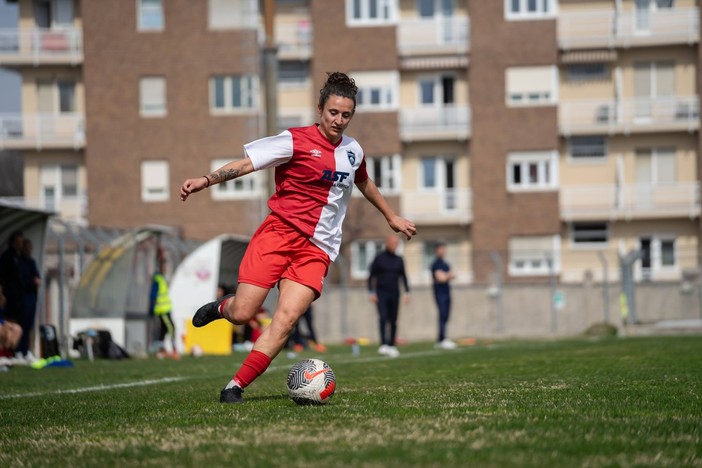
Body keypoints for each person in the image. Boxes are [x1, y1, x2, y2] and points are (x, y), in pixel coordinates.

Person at [180, 72, 416, 403]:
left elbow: (364, 182)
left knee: (287, 319)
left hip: (318, 249)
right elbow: (249, 164)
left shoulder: (353, 151)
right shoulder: (294, 140)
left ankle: (235, 386)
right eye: (333, 112)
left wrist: (391, 216)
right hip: (278, 235)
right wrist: (206, 180)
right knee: (245, 312)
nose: (339, 120)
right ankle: (222, 308)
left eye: (346, 115)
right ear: (320, 108)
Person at [368, 235, 410, 358]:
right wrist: (371, 292)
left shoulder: (399, 259)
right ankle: (383, 344)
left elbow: (403, 276)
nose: (395, 245)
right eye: (393, 243)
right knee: (383, 317)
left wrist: (407, 292)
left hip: (395, 293)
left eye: (397, 243)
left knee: (393, 319)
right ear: (387, 243)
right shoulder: (379, 258)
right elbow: (371, 276)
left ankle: (392, 345)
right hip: (381, 293)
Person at [149, 260, 179, 359]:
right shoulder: (157, 279)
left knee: (163, 329)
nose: (165, 268)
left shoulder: (162, 278)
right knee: (171, 328)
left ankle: (160, 351)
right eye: (164, 266)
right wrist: (152, 308)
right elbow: (153, 294)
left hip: (165, 309)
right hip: (162, 310)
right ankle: (174, 350)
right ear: (160, 267)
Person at [17, 238, 41, 361]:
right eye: (27, 247)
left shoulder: (31, 262)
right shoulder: (19, 262)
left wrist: (36, 281)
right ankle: (19, 351)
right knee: (21, 325)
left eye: (30, 248)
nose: (29, 250)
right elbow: (21, 281)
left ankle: (26, 351)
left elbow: (37, 277)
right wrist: (32, 282)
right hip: (23, 297)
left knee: (28, 325)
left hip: (32, 297)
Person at [430, 242, 457, 350]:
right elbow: (441, 278)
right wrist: (447, 275)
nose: (443, 251)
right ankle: (441, 339)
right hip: (439, 292)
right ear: (437, 250)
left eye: (444, 249)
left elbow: (453, 275)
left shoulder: (445, 264)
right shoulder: (435, 264)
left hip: (447, 291)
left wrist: (446, 275)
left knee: (446, 315)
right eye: (441, 249)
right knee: (442, 314)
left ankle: (443, 338)